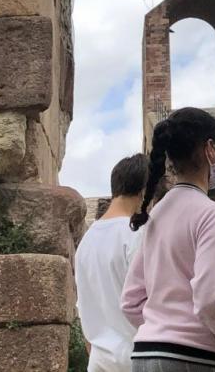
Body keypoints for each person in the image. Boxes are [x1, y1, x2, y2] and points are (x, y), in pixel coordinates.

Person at [122, 107, 215, 371]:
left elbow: (130, 300)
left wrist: (161, 328)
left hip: (146, 352)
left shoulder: (158, 212)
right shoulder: (212, 214)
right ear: (210, 149)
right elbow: (210, 299)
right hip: (198, 356)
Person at [75, 154, 149, 372]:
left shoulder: (86, 242)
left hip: (99, 360)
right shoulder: (136, 234)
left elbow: (83, 307)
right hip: (136, 357)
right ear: (143, 191)